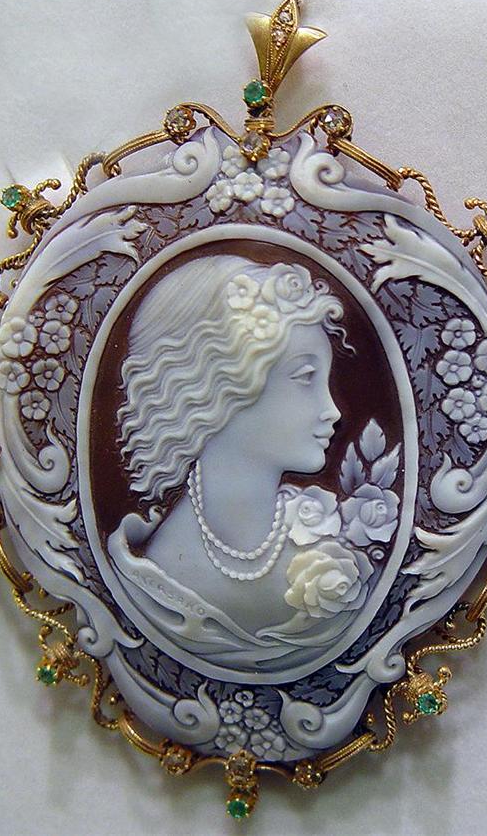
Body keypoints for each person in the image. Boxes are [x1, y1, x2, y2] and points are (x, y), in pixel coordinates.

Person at [107, 255, 373, 670]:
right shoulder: (160, 573)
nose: (332, 410)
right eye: (305, 377)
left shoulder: (326, 538)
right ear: (219, 385)